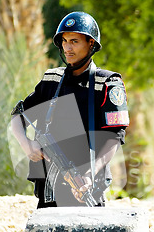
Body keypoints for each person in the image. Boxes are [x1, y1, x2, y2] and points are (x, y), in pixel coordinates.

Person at [11, 11, 129, 208]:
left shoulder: (108, 83)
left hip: (86, 185)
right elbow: (18, 115)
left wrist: (91, 172)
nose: (67, 47)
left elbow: (115, 136)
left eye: (74, 41)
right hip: (49, 185)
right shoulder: (51, 80)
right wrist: (26, 144)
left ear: (91, 43)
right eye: (64, 41)